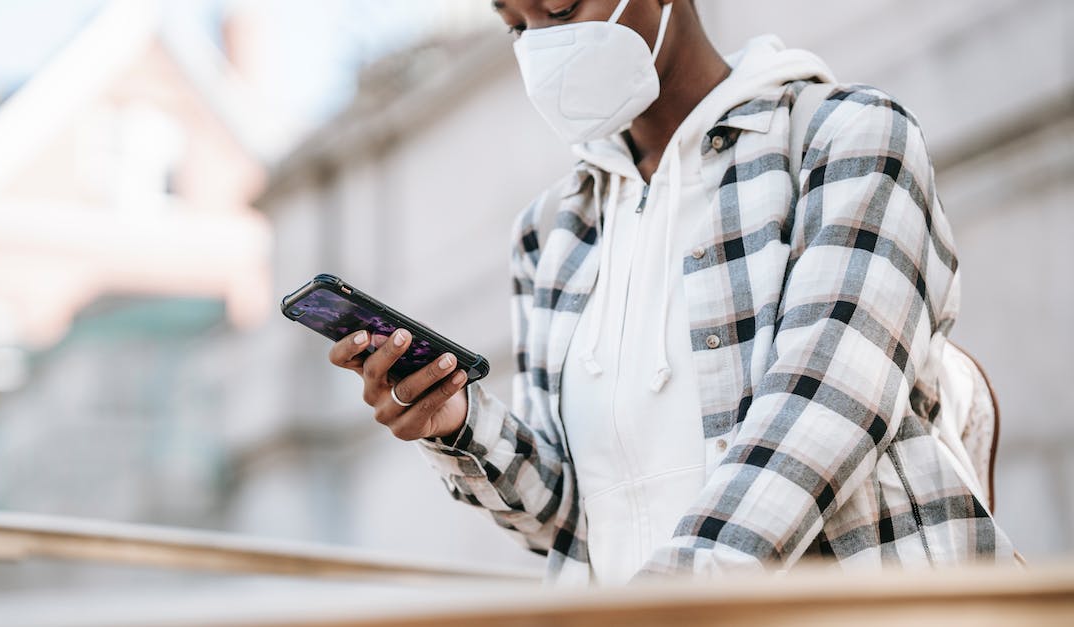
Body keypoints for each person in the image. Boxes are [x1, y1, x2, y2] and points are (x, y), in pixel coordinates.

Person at [325, 0, 1018, 584]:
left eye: (562, 6)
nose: (545, 42)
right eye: (516, 23)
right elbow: (573, 523)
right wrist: (459, 421)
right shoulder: (550, 235)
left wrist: (657, 606)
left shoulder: (847, 139)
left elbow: (821, 421)